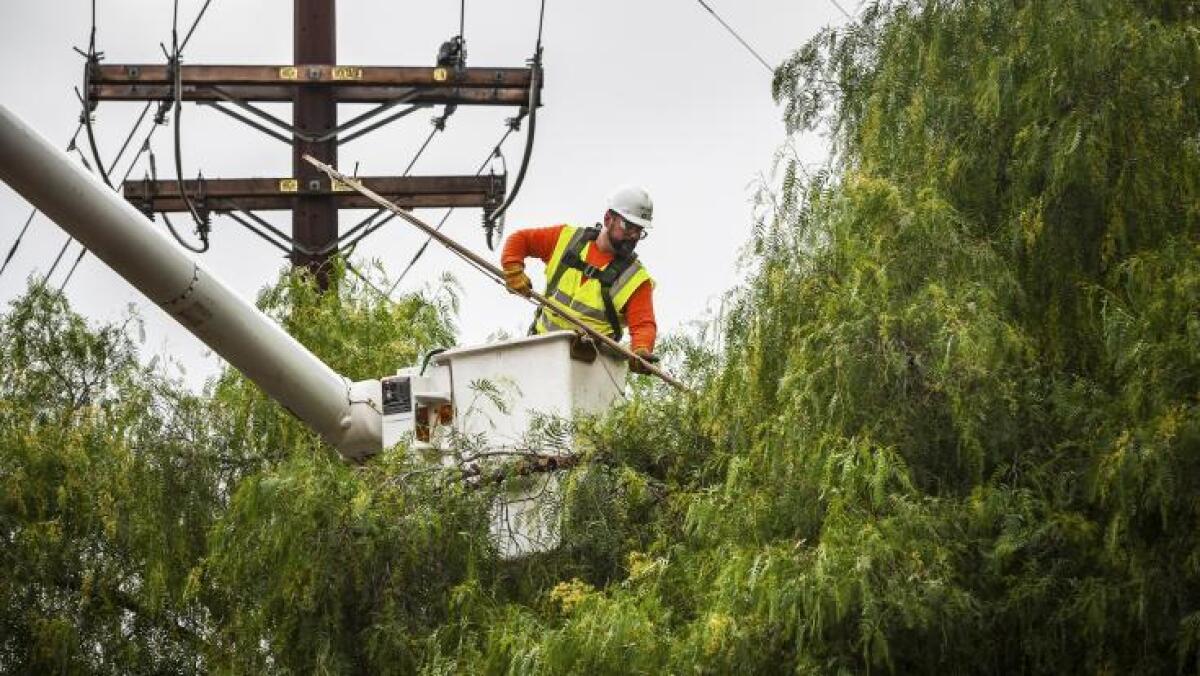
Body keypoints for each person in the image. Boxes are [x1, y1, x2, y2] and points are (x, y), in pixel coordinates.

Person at [500, 185, 659, 374]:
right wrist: (513, 268)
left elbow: (643, 325)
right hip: (540, 352)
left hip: (589, 370)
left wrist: (641, 350)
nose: (633, 236)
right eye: (628, 227)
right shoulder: (566, 240)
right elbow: (520, 240)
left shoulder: (635, 279)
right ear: (608, 218)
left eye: (639, 231)